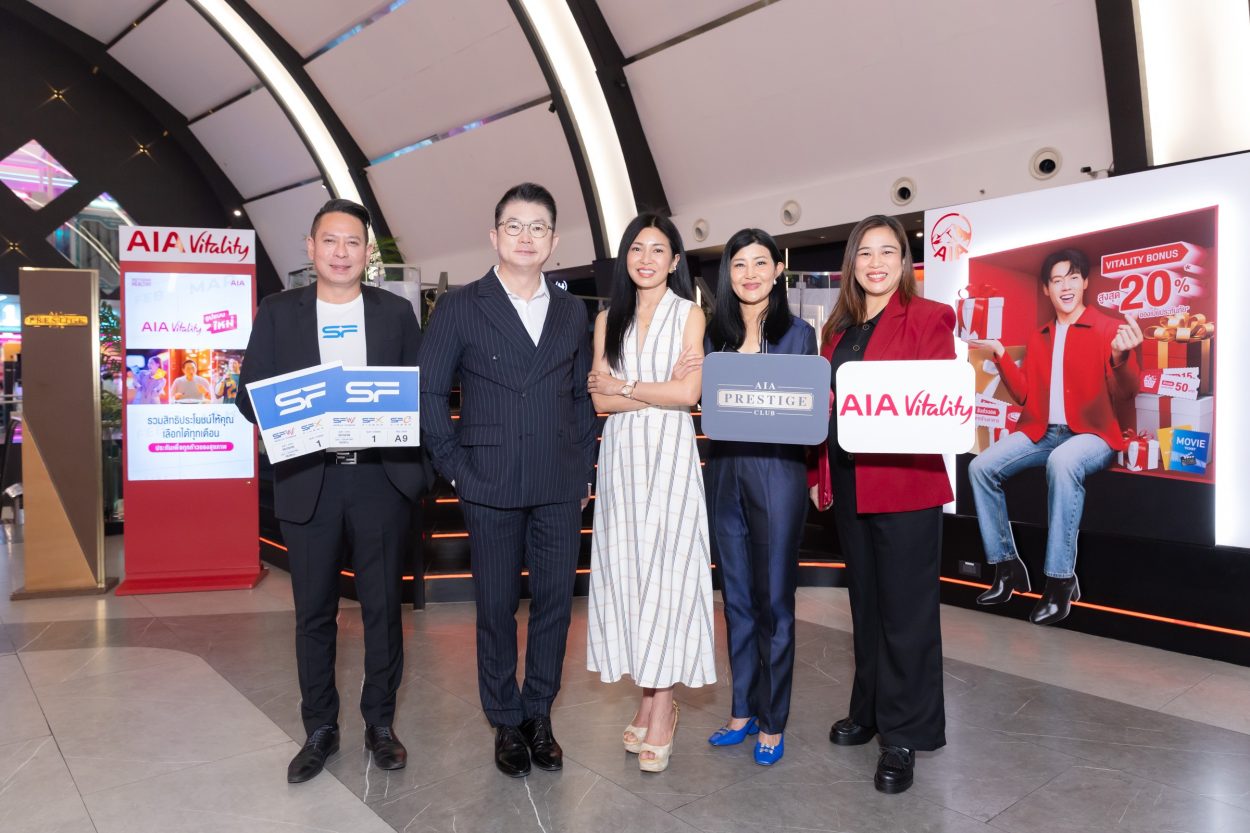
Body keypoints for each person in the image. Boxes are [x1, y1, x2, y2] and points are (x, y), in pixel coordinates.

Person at [237, 198, 431, 783]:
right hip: (310, 481)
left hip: (379, 479)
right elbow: (248, 396)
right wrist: (299, 405)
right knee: (313, 614)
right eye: (330, 241)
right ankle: (320, 728)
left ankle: (380, 724)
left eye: (352, 242)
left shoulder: (395, 313)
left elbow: (419, 392)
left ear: (368, 252)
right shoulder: (278, 312)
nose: (341, 252)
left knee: (383, 611)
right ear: (310, 247)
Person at [419, 183, 598, 778]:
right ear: (494, 236)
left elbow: (580, 397)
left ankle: (538, 714)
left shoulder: (572, 311)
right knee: (496, 608)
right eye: (514, 226)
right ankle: (503, 718)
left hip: (557, 481)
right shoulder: (460, 306)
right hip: (488, 481)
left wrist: (582, 469)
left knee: (554, 606)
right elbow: (429, 393)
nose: (526, 237)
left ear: (554, 240)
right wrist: (456, 467)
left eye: (538, 227)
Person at [810, 214, 956, 794]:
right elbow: (825, 408)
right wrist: (819, 474)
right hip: (850, 482)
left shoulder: (929, 317)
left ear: (904, 261)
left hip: (904, 483)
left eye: (887, 251)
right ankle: (869, 709)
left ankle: (904, 733)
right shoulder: (838, 331)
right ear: (853, 263)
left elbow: (935, 400)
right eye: (865, 253)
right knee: (867, 604)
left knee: (906, 612)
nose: (876, 263)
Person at [586, 212, 716, 773]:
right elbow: (600, 400)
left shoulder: (690, 314)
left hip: (671, 458)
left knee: (668, 577)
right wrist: (650, 389)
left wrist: (629, 386)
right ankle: (648, 697)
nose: (646, 259)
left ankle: (662, 709)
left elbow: (688, 395)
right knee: (632, 577)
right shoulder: (606, 319)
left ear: (674, 260)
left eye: (658, 250)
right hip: (620, 463)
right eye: (637, 249)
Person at [967, 248, 1142, 625]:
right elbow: (1024, 395)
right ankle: (1007, 568)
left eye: (1073, 277)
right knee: (980, 467)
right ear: (1046, 289)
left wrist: (1120, 357)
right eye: (1057, 280)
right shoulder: (1040, 336)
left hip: (1093, 435)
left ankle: (1060, 582)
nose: (1066, 286)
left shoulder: (1108, 329)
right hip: (1043, 432)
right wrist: (999, 353)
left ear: (1085, 282)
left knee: (1062, 463)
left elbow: (1129, 392)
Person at [703, 229, 816, 766]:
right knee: (737, 599)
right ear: (728, 274)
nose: (750, 274)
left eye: (760, 263)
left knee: (774, 601)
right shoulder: (716, 335)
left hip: (778, 471)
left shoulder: (799, 334)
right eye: (739, 264)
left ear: (778, 271)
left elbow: (806, 410)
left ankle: (773, 720)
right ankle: (742, 710)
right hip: (725, 470)